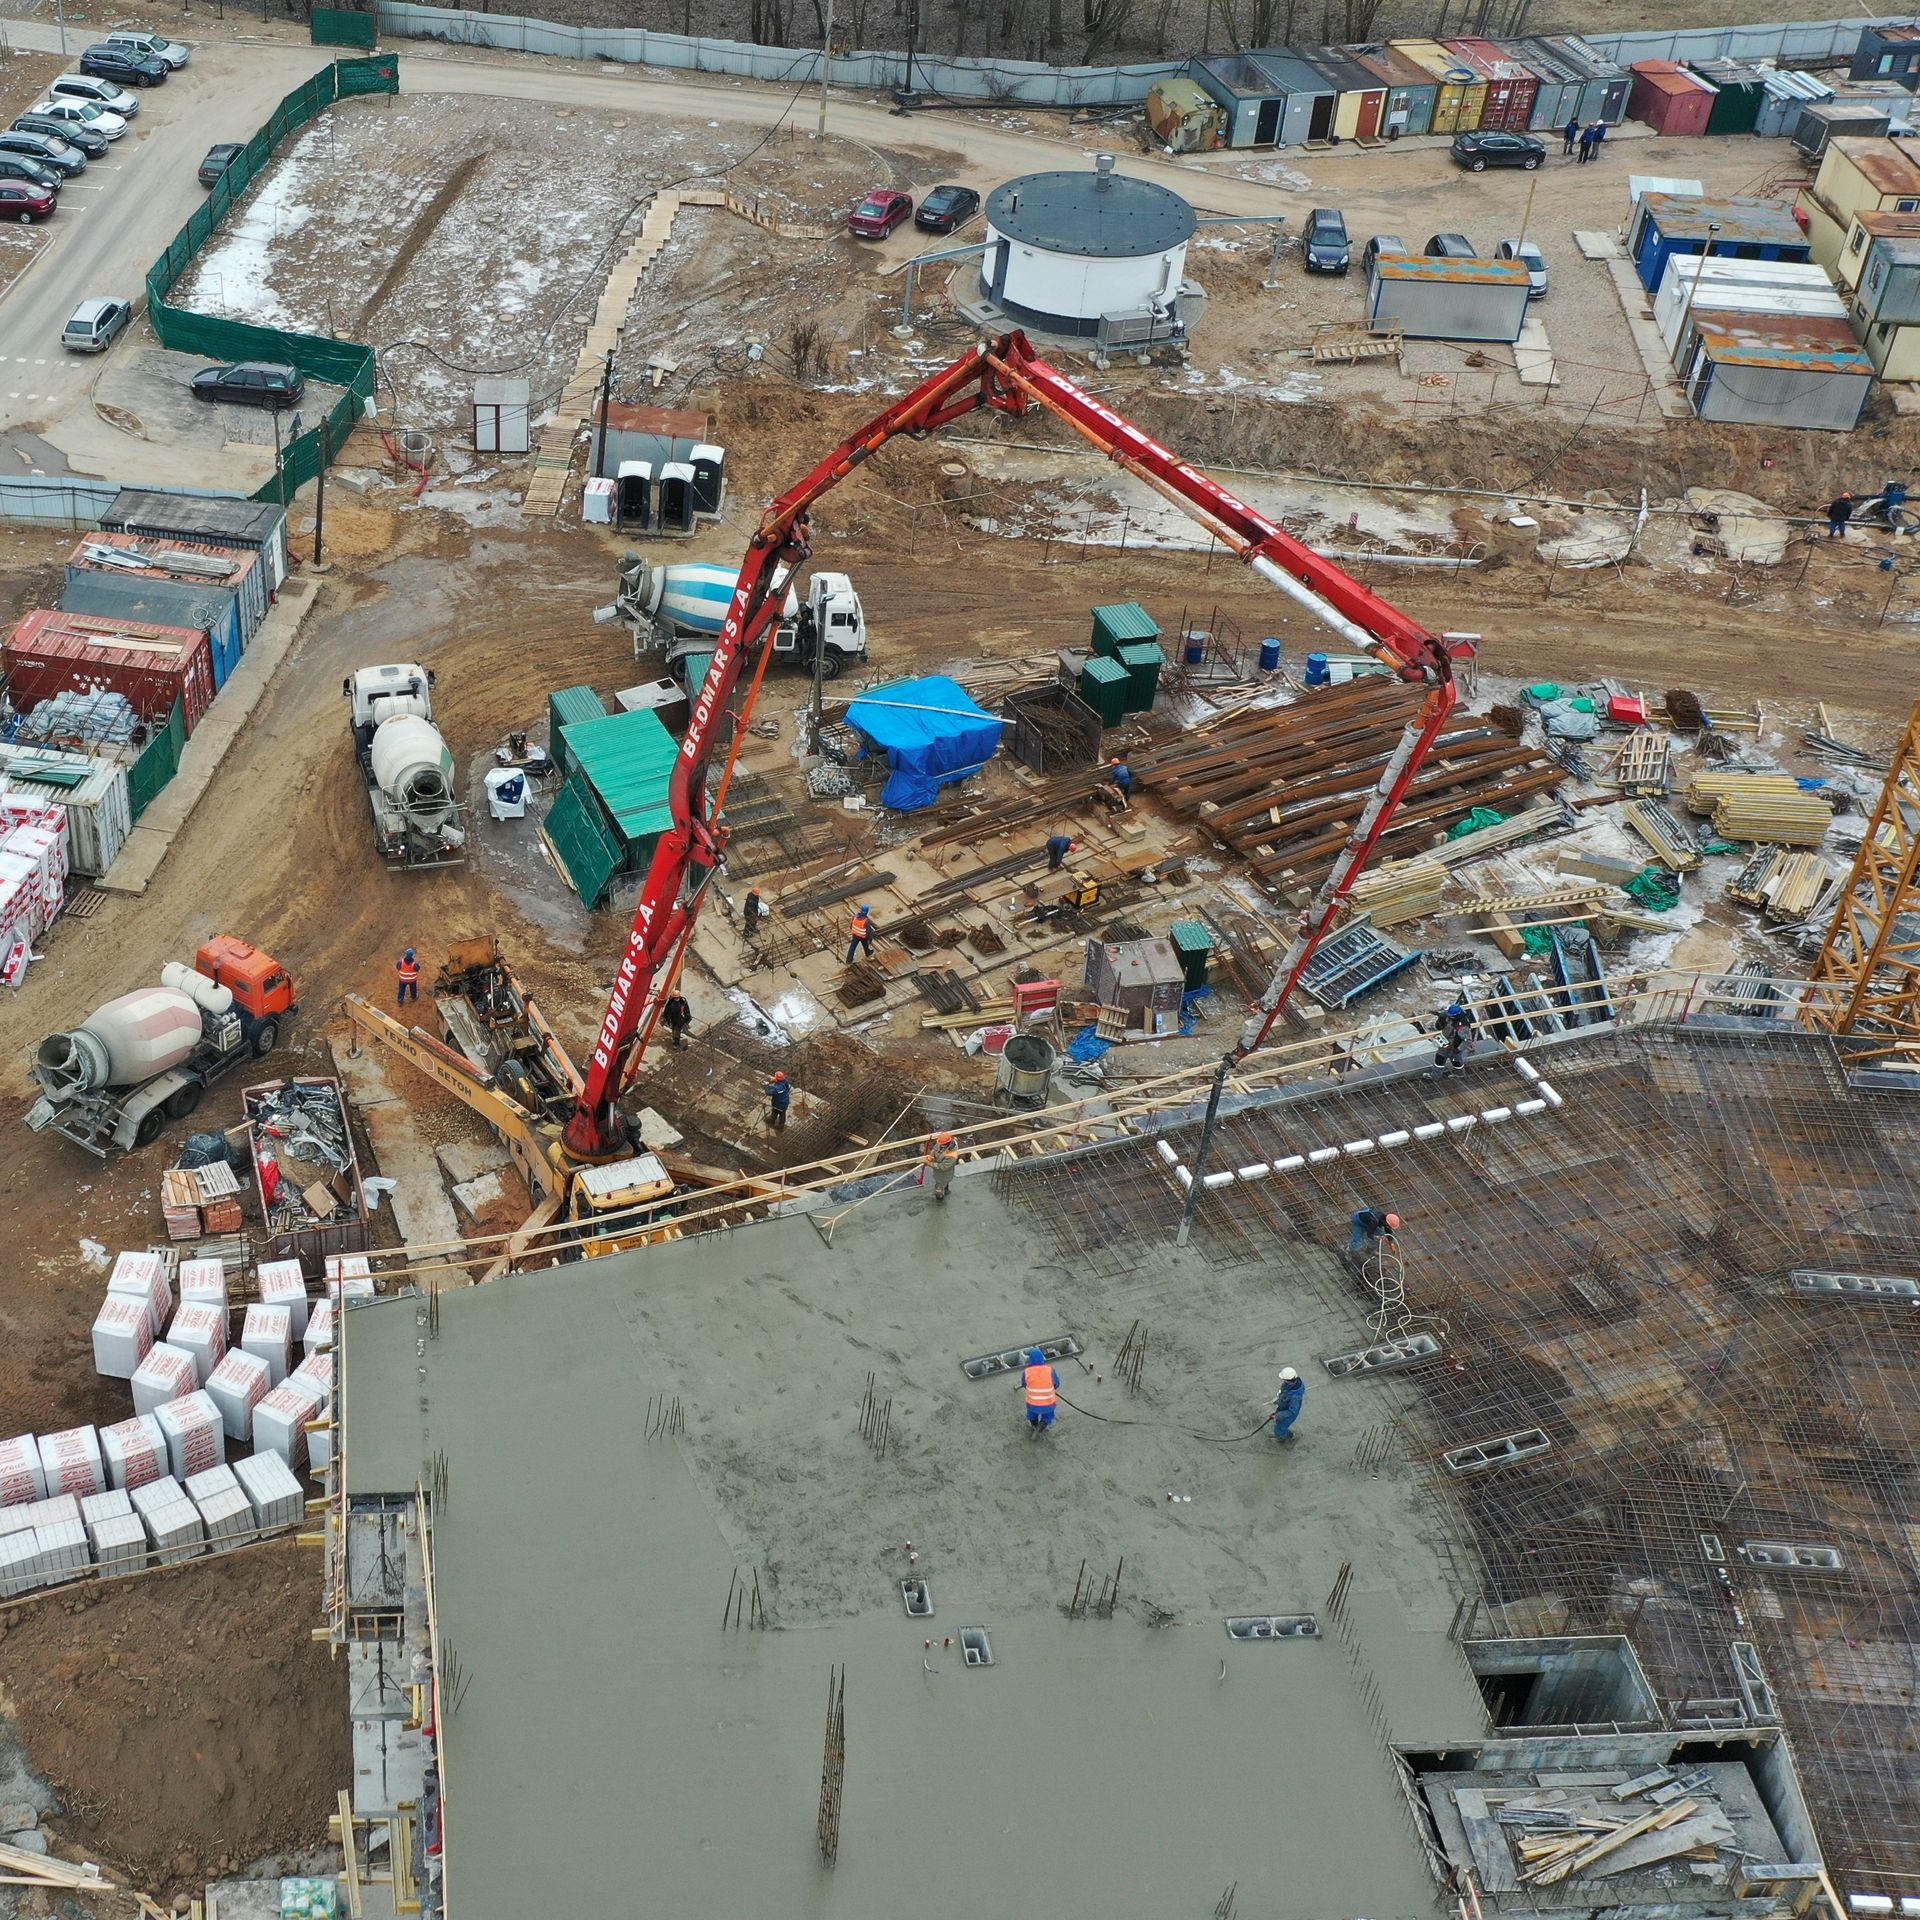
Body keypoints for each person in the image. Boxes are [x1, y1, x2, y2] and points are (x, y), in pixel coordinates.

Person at [1022, 1346, 1060, 1436]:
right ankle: (1042, 1425)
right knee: (1048, 1415)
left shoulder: (1027, 1371)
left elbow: (1024, 1384)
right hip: (1048, 1403)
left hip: (1032, 1404)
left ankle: (1034, 1424)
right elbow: (1057, 1384)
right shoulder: (1050, 1370)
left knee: (1032, 1414)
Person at [1432, 1000, 1476, 1073]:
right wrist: (1439, 1015)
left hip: (1455, 1046)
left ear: (1456, 1015)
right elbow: (1444, 1015)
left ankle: (1460, 1075)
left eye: (1451, 1016)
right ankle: (1434, 1076)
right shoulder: (1450, 1014)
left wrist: (1457, 1049)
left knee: (1455, 1061)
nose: (1449, 1017)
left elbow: (1467, 1040)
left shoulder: (1462, 1026)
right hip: (1445, 1041)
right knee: (1439, 1059)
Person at [925, 1129, 960, 1203]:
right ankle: (946, 1191)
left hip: (944, 1174)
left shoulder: (952, 1155)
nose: (939, 1144)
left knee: (939, 1188)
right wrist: (931, 1156)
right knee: (945, 1184)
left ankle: (939, 1200)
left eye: (940, 1143)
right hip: (939, 1173)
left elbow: (942, 1167)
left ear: (946, 1144)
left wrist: (929, 1163)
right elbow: (935, 1149)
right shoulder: (941, 1144)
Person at [1272, 1367, 1305, 1443]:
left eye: (1284, 1379)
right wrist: (1278, 1399)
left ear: (1289, 1380)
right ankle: (1282, 1433)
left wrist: (1277, 1415)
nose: (1283, 1381)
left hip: (1288, 1416)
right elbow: (1283, 1392)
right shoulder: (1290, 1384)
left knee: (1280, 1430)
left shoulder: (1295, 1397)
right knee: (1279, 1424)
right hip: (1283, 1408)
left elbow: (1292, 1411)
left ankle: (1287, 1437)